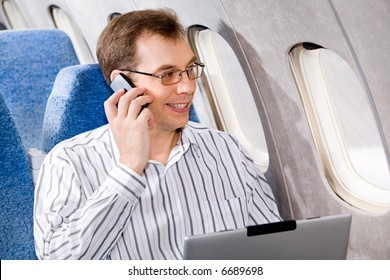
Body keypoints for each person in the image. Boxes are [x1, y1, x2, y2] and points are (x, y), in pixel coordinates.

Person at [34, 8, 282, 260]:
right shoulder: (69, 162)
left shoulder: (226, 149)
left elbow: (273, 248)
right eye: (167, 75)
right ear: (122, 84)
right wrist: (128, 169)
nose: (186, 87)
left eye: (189, 69)